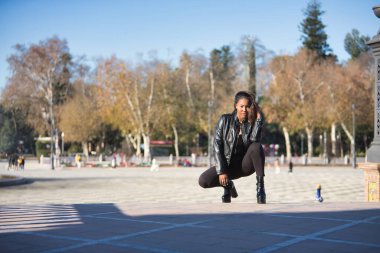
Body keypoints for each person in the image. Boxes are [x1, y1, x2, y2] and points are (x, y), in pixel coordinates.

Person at [199, 91, 266, 204]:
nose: (244, 109)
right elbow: (217, 145)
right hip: (227, 166)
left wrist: (258, 120)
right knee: (203, 181)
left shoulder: (252, 122)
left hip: (244, 166)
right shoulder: (224, 120)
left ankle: (260, 188)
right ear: (235, 106)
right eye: (241, 106)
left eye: (247, 106)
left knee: (257, 146)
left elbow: (254, 144)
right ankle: (228, 186)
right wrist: (222, 171)